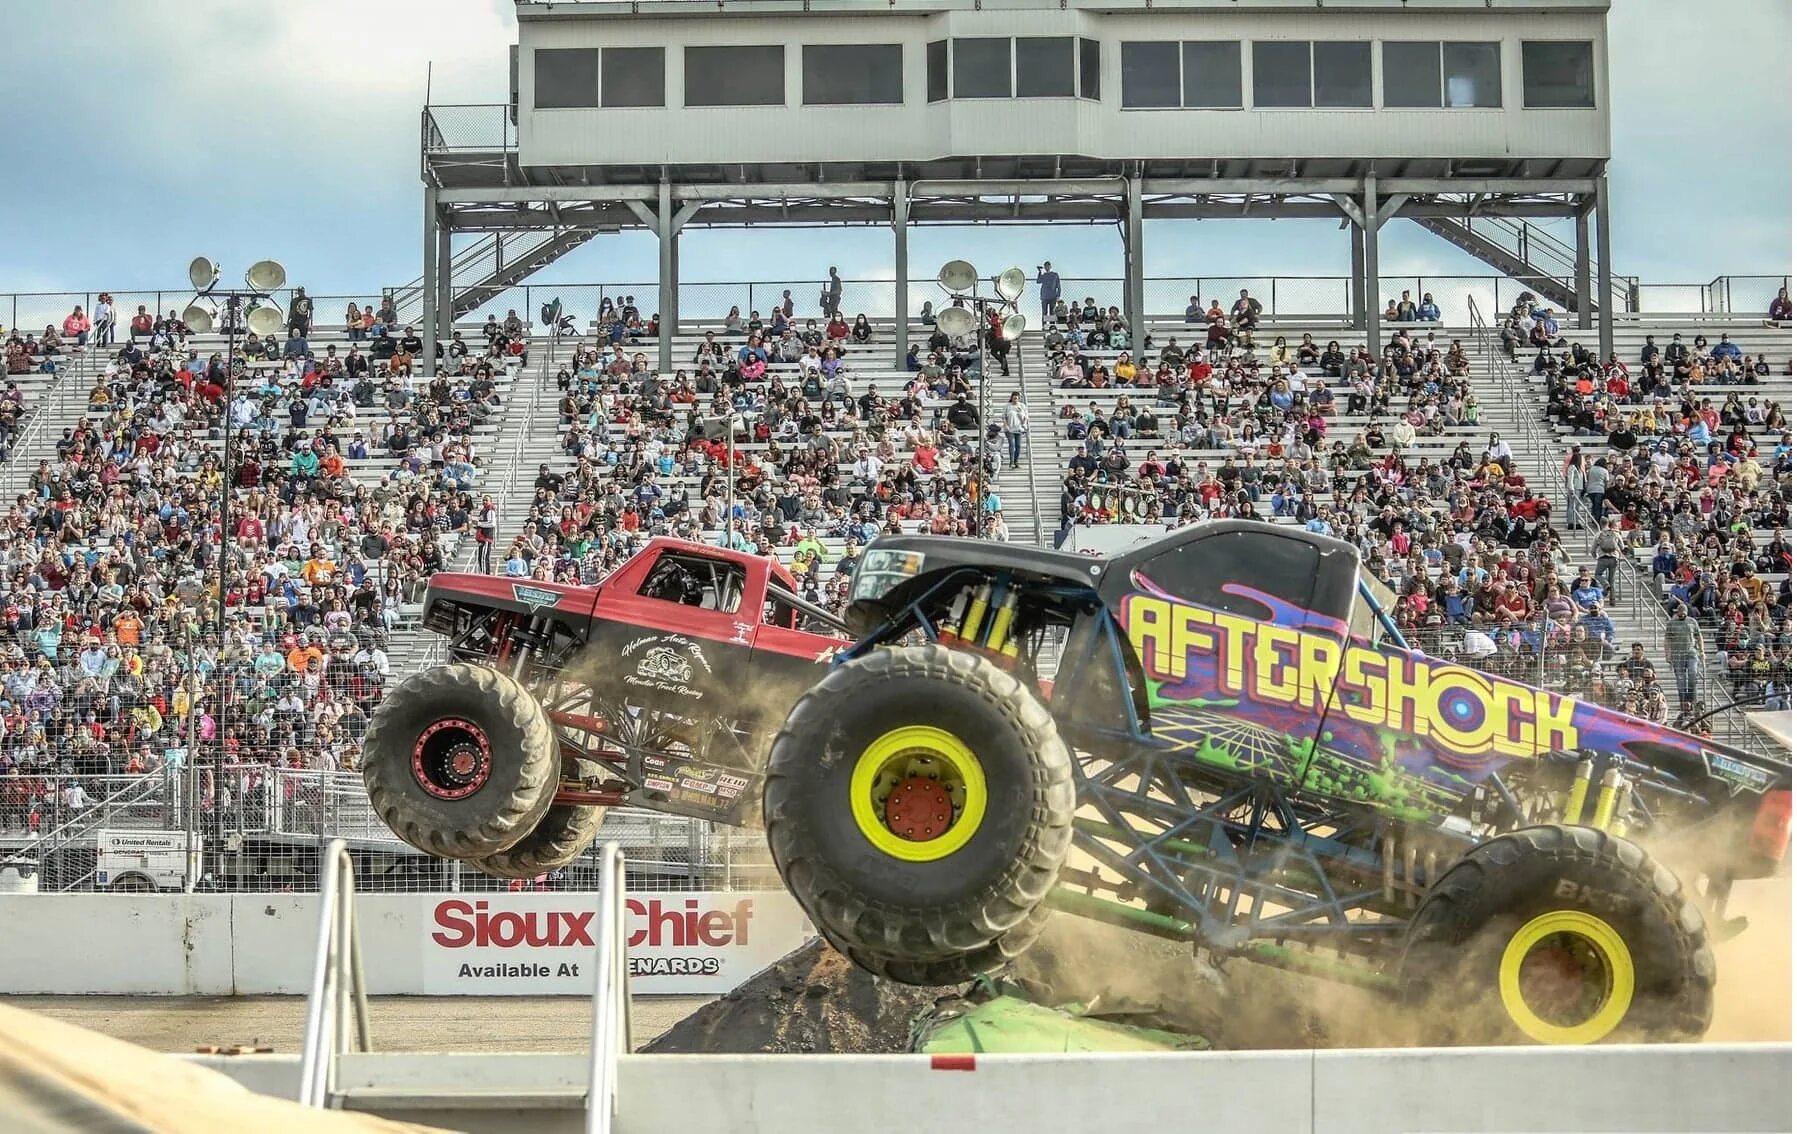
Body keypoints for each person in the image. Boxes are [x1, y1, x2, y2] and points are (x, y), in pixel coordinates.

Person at [1664, 602, 1705, 714]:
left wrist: (1702, 651)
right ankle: (1683, 702)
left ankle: (1691, 700)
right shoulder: (1671, 623)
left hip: (1691, 653)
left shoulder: (1692, 621)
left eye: (1684, 613)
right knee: (1681, 680)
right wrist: (1667, 654)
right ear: (1677, 612)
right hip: (1677, 655)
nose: (1682, 615)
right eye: (1680, 613)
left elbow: (1699, 636)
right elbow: (1667, 639)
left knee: (1692, 674)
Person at [1002, 392, 1029, 469]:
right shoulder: (1007, 406)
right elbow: (1004, 417)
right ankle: (1011, 462)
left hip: (1019, 428)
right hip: (1009, 429)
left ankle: (1016, 461)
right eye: (1014, 398)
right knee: (1012, 444)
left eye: (1017, 398)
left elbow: (1026, 417)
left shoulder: (1022, 406)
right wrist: (1006, 425)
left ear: (1019, 398)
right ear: (1011, 398)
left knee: (1018, 446)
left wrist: (1023, 423)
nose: (1015, 400)